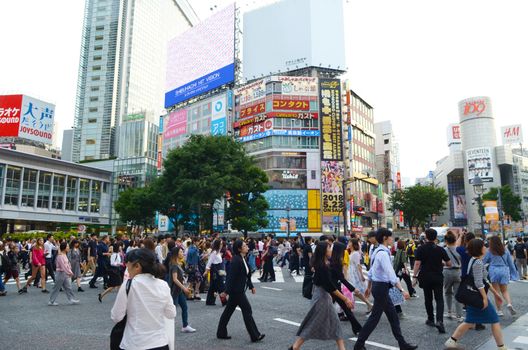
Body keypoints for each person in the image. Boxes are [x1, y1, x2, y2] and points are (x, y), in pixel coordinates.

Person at [353, 228, 417, 350]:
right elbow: (390, 273)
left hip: (379, 287)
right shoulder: (383, 253)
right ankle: (359, 344)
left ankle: (402, 344)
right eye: (390, 237)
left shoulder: (378, 251)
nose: (392, 239)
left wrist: (370, 287)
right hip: (381, 288)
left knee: (392, 317)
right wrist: (402, 290)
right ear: (384, 238)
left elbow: (371, 272)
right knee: (375, 318)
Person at [444, 239, 506, 350]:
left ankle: (451, 341)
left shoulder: (474, 260)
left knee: (469, 321)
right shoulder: (477, 262)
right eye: (484, 246)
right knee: (494, 319)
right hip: (477, 297)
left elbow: (484, 281)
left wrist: (496, 294)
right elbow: (479, 282)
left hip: (472, 296)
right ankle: (501, 347)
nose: (486, 248)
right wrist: (484, 298)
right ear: (480, 249)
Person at [290, 241, 353, 350]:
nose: (331, 251)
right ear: (324, 251)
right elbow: (330, 287)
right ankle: (295, 347)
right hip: (321, 298)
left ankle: (341, 348)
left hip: (323, 296)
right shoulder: (322, 267)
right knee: (313, 323)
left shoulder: (323, 264)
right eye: (329, 249)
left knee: (335, 324)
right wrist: (345, 299)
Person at [111, 248, 176, 350]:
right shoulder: (163, 285)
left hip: (135, 343)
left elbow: (116, 316)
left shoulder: (129, 284)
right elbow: (171, 313)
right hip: (160, 343)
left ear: (137, 266)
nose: (126, 267)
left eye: (127, 263)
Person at [217, 239, 264, 342]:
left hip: (238, 290)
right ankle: (255, 335)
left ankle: (221, 332)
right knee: (247, 310)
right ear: (239, 249)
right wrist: (226, 292)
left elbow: (247, 275)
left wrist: (251, 286)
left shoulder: (243, 258)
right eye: (244, 246)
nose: (247, 246)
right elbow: (231, 277)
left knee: (228, 311)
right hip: (236, 291)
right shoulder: (236, 260)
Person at [412, 228, 451, 334]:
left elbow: (417, 263)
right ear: (435, 237)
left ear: (426, 237)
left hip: (425, 277)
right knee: (439, 299)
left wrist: (414, 277)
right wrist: (442, 263)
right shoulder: (440, 249)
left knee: (428, 298)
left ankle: (430, 319)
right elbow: (449, 263)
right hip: (437, 276)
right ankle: (440, 321)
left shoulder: (421, 249)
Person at [329, 241, 363, 334]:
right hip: (334, 289)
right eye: (343, 250)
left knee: (346, 309)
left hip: (334, 288)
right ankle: (357, 328)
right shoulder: (335, 263)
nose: (344, 252)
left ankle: (357, 328)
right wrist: (353, 288)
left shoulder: (333, 261)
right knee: (345, 308)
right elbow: (342, 278)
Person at [483, 236, 518, 316]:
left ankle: (499, 310)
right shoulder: (505, 250)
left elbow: (484, 261)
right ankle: (509, 304)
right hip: (504, 270)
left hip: (494, 271)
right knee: (505, 291)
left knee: (497, 292)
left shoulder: (490, 251)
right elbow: (511, 263)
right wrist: (514, 274)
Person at [170, 246, 196, 333]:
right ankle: (167, 327)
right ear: (176, 254)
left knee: (184, 307)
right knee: (172, 310)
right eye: (181, 252)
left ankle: (185, 326)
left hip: (179, 290)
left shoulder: (178, 264)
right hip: (175, 291)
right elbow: (175, 279)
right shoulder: (174, 265)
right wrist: (184, 288)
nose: (183, 253)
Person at [48, 242, 80, 306]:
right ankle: (51, 301)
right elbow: (63, 266)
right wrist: (70, 272)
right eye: (67, 246)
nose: (68, 248)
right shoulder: (60, 256)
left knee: (68, 287)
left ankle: (71, 299)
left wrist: (69, 271)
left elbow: (67, 264)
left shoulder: (65, 254)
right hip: (60, 273)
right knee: (56, 288)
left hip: (65, 273)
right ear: (64, 248)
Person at [443, 231, 463, 321]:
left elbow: (442, 262)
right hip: (457, 271)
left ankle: (449, 311)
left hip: (447, 272)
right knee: (457, 294)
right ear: (455, 240)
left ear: (446, 241)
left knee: (447, 293)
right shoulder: (459, 249)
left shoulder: (444, 250)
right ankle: (459, 315)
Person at [205, 239, 226, 306]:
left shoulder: (217, 252)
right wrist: (206, 270)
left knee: (213, 286)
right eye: (220, 244)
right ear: (217, 245)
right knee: (220, 286)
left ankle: (210, 301)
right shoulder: (214, 252)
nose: (221, 245)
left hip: (218, 269)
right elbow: (209, 262)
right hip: (215, 270)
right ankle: (224, 301)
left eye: (222, 244)